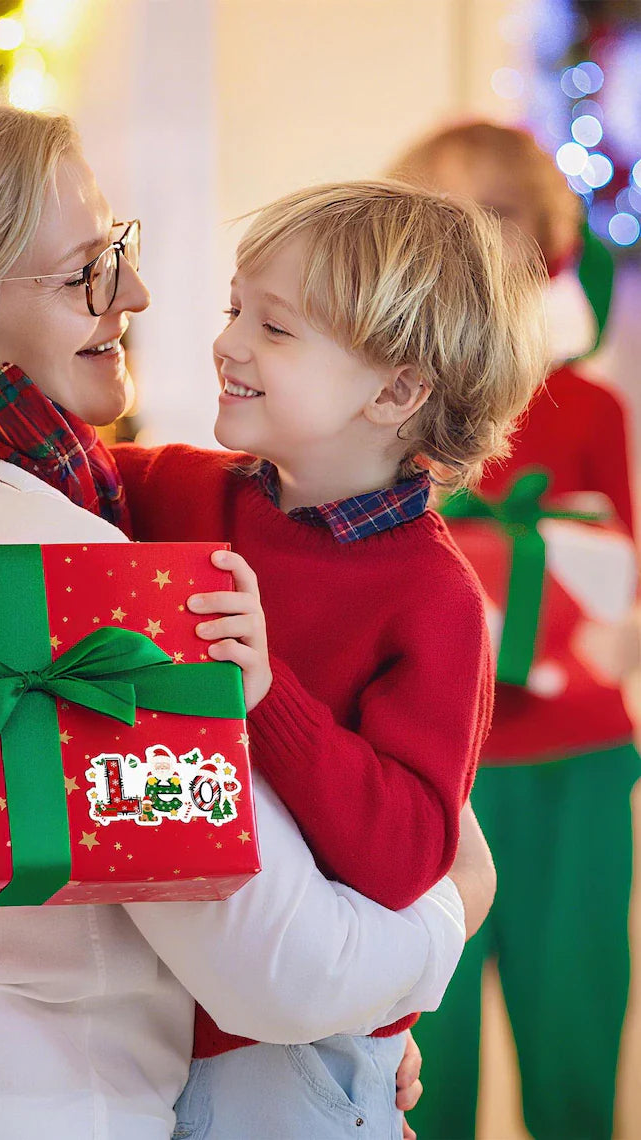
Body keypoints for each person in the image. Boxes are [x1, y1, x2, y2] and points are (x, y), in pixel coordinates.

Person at [0, 97, 494, 1140]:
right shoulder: (55, 570)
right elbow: (285, 975)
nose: (141, 295)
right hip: (1, 1109)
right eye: (85, 275)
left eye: (119, 250)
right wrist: (453, 899)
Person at [113, 181, 548, 1139]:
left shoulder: (432, 600)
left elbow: (406, 860)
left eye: (274, 328)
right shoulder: (190, 494)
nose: (227, 342)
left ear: (395, 393)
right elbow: (33, 467)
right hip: (166, 1024)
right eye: (236, 310)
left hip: (302, 1056)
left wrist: (269, 699)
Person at [388, 120, 641, 1140]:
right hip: (435, 762)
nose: (482, 244)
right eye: (454, 220)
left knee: (574, 1010)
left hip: (576, 757)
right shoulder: (392, 399)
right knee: (423, 1029)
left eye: (502, 217)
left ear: (547, 242)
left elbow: (616, 566)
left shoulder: (585, 404)